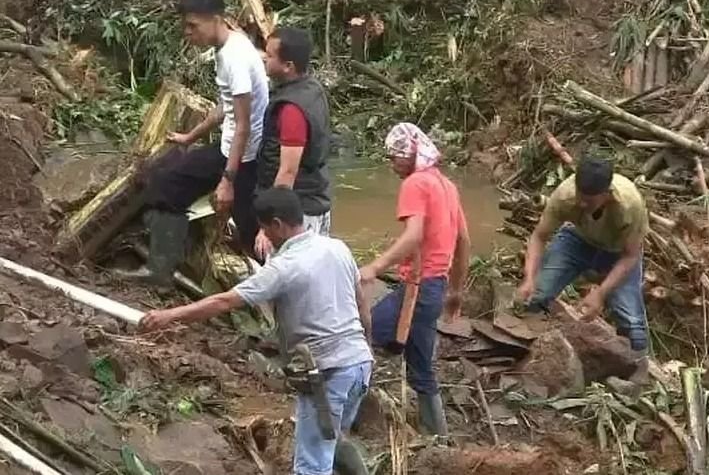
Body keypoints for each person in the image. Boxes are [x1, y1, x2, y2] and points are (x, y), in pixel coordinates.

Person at [139, 187, 373, 475]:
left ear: (277, 225)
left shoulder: (284, 267)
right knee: (332, 440)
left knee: (312, 464)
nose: (265, 238)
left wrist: (169, 316)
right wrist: (366, 347)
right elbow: (362, 306)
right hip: (359, 365)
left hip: (327, 373)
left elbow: (224, 300)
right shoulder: (337, 248)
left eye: (265, 230)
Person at [124, 0, 269, 285]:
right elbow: (224, 107)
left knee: (252, 230)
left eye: (193, 25)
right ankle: (164, 268)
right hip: (235, 150)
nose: (188, 33)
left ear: (216, 18)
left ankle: (284, 292)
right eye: (185, 26)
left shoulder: (235, 58)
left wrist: (227, 181)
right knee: (167, 183)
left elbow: (242, 124)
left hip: (243, 158)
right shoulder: (231, 46)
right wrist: (191, 136)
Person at [359, 123, 471, 436]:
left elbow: (413, 236)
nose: (391, 164)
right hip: (435, 287)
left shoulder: (415, 184)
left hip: (419, 290)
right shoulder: (445, 185)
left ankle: (351, 416)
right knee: (420, 367)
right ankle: (438, 436)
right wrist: (456, 290)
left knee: (358, 336)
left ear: (409, 157)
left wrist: (375, 267)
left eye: (394, 157)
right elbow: (464, 241)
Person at [517, 156, 650, 383]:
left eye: (589, 200)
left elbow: (630, 256)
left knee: (632, 324)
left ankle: (637, 376)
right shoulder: (565, 195)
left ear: (606, 194)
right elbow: (539, 236)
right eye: (580, 195)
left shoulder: (630, 204)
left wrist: (600, 293)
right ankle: (530, 352)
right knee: (535, 295)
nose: (581, 203)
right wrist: (529, 278)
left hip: (618, 253)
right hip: (577, 241)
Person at [254, 27, 333, 261]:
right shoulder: (312, 89)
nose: (263, 59)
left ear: (288, 66)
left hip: (296, 215)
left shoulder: (291, 110)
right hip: (316, 201)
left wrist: (268, 226)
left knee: (287, 282)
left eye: (269, 56)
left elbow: (288, 171)